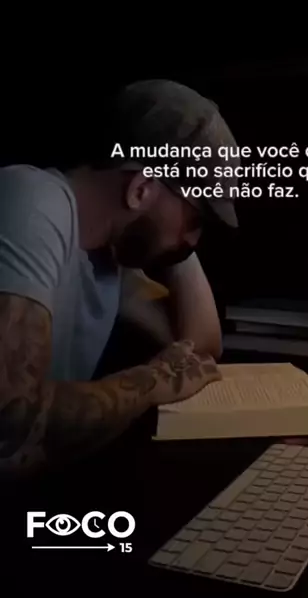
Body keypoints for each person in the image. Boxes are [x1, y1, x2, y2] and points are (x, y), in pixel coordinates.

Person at [0, 79, 240, 477]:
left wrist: (175, 244)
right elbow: (12, 423)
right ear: (141, 188)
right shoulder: (32, 201)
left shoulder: (107, 261)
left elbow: (199, 347)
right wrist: (149, 382)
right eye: (197, 219)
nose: (195, 239)